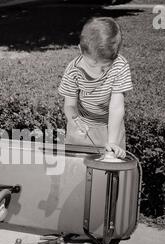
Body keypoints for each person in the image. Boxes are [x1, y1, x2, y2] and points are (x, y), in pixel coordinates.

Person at [58, 17, 133, 159]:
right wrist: (75, 120)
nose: (99, 71)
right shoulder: (74, 70)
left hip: (111, 129)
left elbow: (116, 107)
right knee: (77, 170)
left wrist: (112, 142)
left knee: (109, 171)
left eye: (105, 66)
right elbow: (69, 106)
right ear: (80, 49)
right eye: (93, 64)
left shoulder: (119, 66)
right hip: (81, 130)